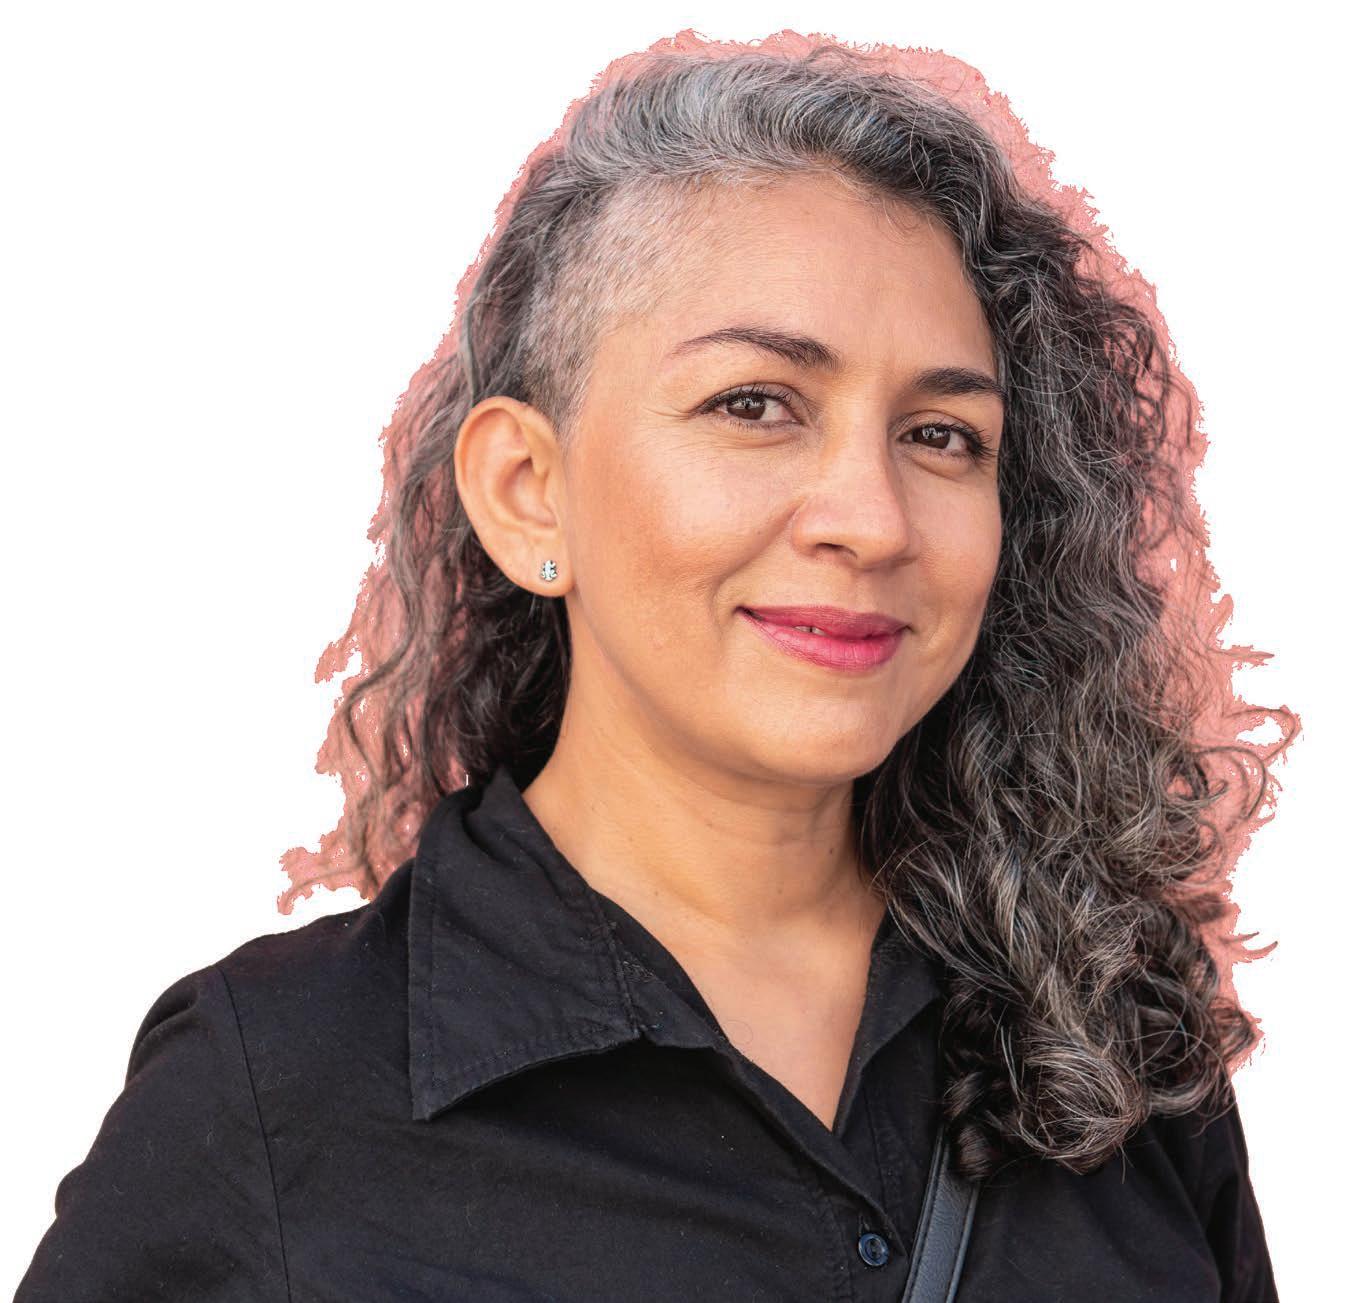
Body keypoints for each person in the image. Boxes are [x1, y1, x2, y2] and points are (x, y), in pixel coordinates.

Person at [16, 36, 1286, 1302]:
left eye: (943, 435)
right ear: (528, 490)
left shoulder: (1110, 1038)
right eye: (755, 404)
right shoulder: (268, 1096)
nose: (873, 519)